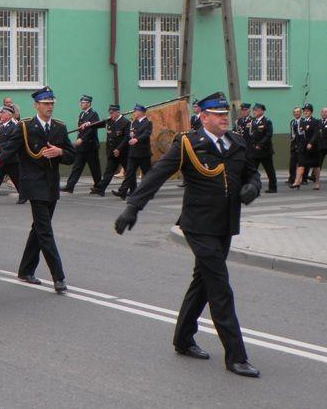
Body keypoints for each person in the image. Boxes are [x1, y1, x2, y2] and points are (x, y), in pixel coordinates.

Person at [114, 92, 261, 378]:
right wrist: (133, 207)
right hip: (198, 226)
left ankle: (183, 338)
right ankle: (236, 356)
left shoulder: (237, 142)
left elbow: (252, 174)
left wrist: (253, 188)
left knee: (203, 283)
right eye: (217, 114)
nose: (223, 118)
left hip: (225, 225)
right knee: (219, 286)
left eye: (224, 114)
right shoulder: (188, 144)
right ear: (203, 117)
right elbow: (157, 174)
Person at [0, 86, 75, 293]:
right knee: (45, 231)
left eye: (52, 103)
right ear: (36, 105)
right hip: (33, 184)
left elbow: (71, 155)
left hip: (51, 185)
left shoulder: (59, 127)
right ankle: (58, 277)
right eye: (46, 104)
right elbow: (8, 152)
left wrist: (59, 152)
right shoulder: (24, 127)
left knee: (39, 229)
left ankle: (25, 270)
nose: (50, 107)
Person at [61, 95, 101, 193]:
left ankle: (99, 187)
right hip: (82, 147)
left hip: (90, 147)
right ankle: (70, 186)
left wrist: (82, 139)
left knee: (94, 168)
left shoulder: (93, 114)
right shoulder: (82, 114)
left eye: (83, 102)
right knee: (77, 167)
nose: (81, 104)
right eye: (81, 102)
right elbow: (81, 130)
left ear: (89, 103)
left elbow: (91, 130)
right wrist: (79, 139)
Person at [112, 104, 152, 199]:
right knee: (129, 173)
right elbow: (131, 134)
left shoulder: (148, 123)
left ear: (141, 112)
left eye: (135, 111)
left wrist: (137, 139)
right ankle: (123, 191)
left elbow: (146, 134)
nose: (134, 113)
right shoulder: (134, 123)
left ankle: (149, 192)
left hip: (143, 153)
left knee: (147, 174)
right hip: (133, 152)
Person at [91, 104, 130, 196]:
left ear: (118, 112)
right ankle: (100, 189)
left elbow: (126, 138)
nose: (111, 115)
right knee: (108, 172)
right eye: (110, 113)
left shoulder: (125, 122)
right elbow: (97, 124)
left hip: (123, 152)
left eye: (112, 113)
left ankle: (131, 190)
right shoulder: (109, 121)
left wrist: (119, 149)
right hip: (112, 152)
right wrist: (88, 124)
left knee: (129, 172)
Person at [291, 104, 321, 190]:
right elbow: (298, 135)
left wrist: (311, 143)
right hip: (303, 147)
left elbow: (316, 134)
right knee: (301, 163)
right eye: (304, 110)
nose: (305, 112)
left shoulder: (315, 121)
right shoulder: (301, 122)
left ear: (311, 111)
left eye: (307, 110)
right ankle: (297, 182)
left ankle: (317, 182)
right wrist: (297, 144)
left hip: (313, 147)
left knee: (315, 165)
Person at [248, 103, 276, 193]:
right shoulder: (253, 121)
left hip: (264, 151)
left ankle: (273, 187)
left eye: (256, 110)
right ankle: (253, 188)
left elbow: (268, 135)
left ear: (262, 111)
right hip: (254, 151)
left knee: (269, 170)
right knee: (252, 171)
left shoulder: (267, 121)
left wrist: (260, 145)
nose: (254, 112)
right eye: (254, 110)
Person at [287, 107, 302, 186]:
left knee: (302, 163)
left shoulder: (303, 121)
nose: (296, 114)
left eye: (298, 112)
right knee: (292, 162)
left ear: (301, 113)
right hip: (293, 144)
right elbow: (292, 134)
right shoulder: (293, 122)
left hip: (301, 144)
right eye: (295, 112)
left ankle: (303, 179)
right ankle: (292, 178)